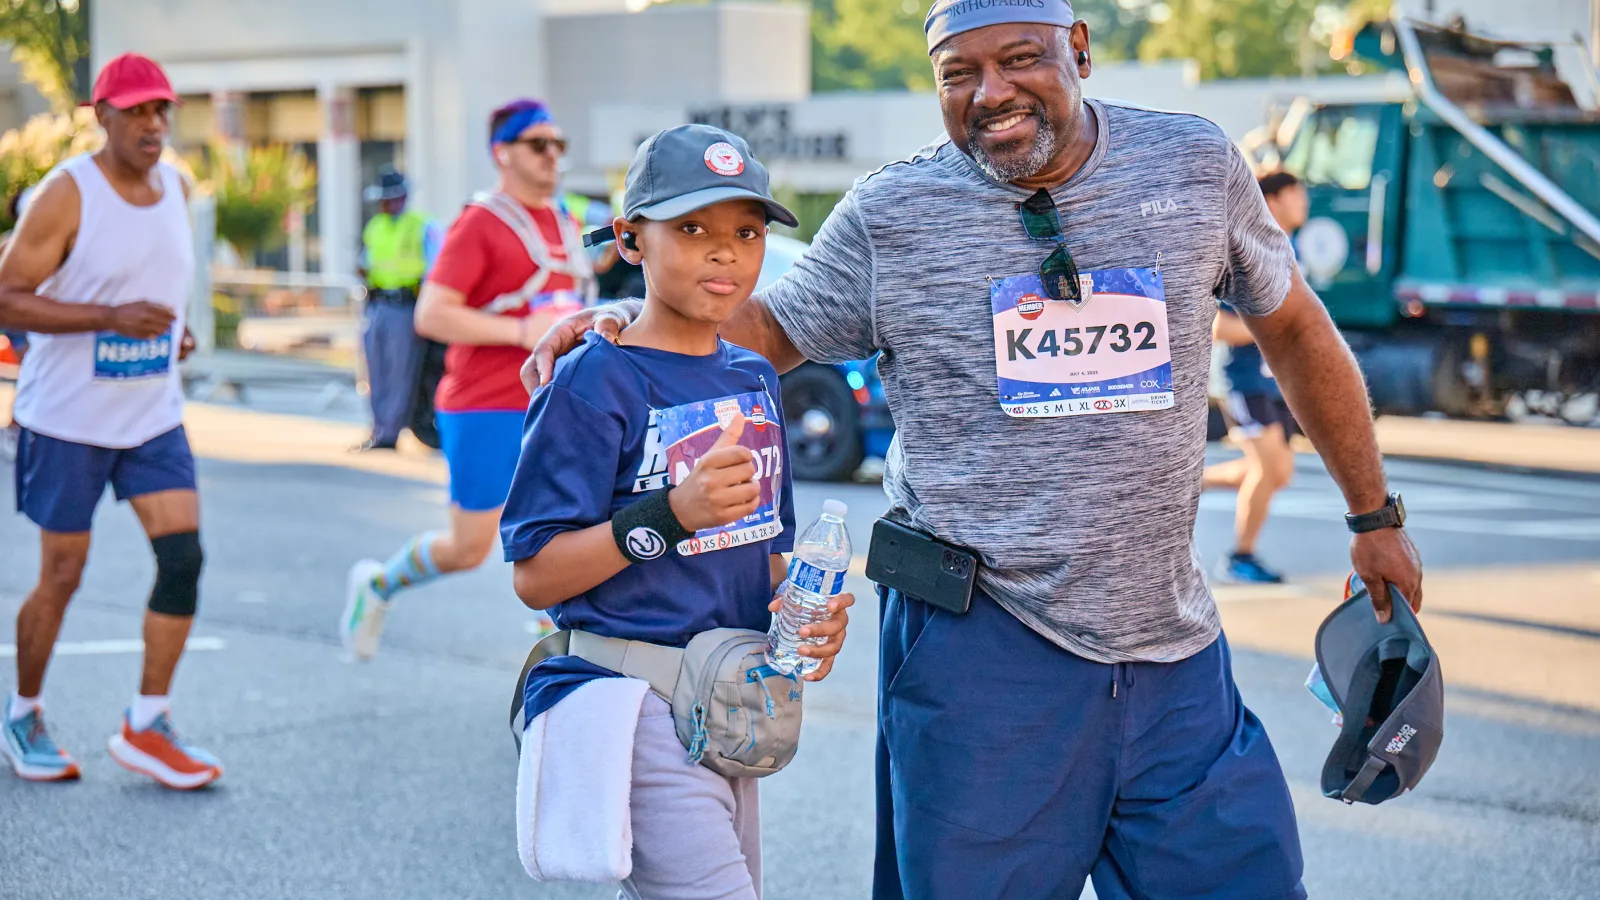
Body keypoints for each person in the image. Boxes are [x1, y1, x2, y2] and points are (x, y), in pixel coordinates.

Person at [529, 3, 1425, 898]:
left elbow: (1298, 331)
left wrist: (1373, 515)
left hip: (1173, 652)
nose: (991, 94)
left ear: (1079, 49)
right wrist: (626, 325)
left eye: (1021, 59)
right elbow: (758, 330)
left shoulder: (1192, 164)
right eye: (958, 73)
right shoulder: (894, 211)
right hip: (980, 655)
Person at [501, 123, 852, 899]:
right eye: (691, 228)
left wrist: (806, 611)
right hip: (634, 711)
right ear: (630, 239)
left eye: (746, 232)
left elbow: (763, 554)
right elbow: (533, 574)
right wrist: (668, 514)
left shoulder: (756, 376)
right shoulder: (595, 379)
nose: (723, 252)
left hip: (732, 705)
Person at [0, 53, 222, 788]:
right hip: (67, 418)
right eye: (137, 112)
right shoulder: (66, 196)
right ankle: (23, 710)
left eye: (162, 109)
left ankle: (146, 722)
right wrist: (109, 318)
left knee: (183, 559)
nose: (154, 124)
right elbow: (9, 298)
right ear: (104, 116)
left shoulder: (177, 187)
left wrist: (174, 334)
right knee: (62, 574)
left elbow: (158, 287)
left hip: (150, 414)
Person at [340, 98, 596, 660]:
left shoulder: (564, 219)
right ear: (502, 153)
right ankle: (378, 586)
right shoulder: (480, 221)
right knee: (468, 548)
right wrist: (520, 330)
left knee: (568, 535)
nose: (553, 155)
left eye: (559, 144)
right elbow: (431, 314)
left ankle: (562, 664)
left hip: (554, 405)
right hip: (485, 404)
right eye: (538, 144)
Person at [1202, 170, 1310, 584]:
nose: (1305, 203)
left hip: (1275, 383)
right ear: (1275, 199)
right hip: (1242, 381)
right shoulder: (1246, 248)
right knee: (1269, 469)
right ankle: (1240, 557)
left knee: (1279, 473)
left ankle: (1190, 484)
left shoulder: (1289, 247)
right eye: (1297, 195)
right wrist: (1275, 328)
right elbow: (1220, 328)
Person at [356, 166, 439, 451]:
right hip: (377, 305)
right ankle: (378, 428)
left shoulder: (421, 226)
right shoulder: (375, 226)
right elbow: (365, 263)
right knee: (375, 369)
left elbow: (434, 269)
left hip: (406, 306)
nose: (387, 204)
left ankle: (390, 432)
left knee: (399, 371)